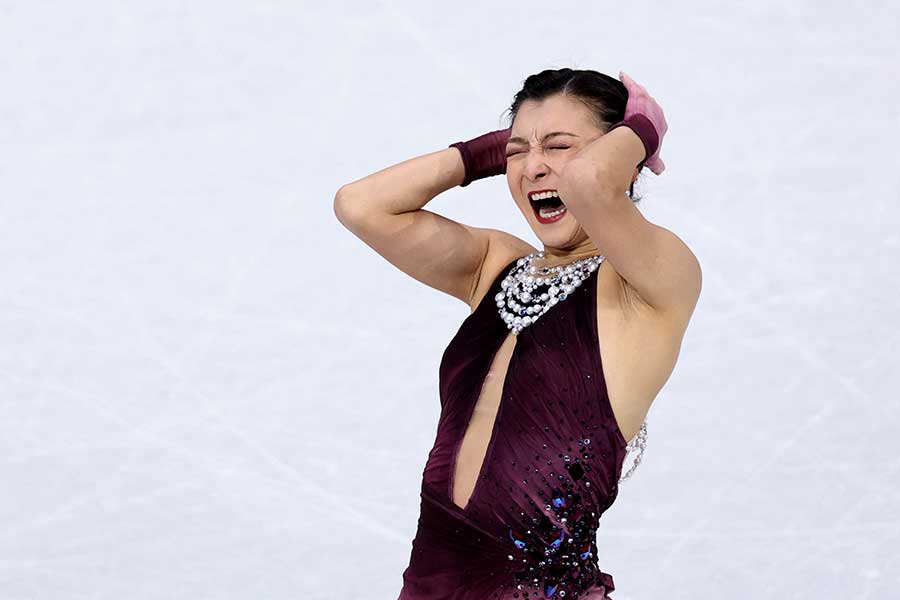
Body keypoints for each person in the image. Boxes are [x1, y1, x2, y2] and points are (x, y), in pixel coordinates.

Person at [334, 68, 701, 599]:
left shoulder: (649, 282)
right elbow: (360, 205)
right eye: (516, 153)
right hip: (430, 585)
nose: (534, 168)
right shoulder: (495, 266)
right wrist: (487, 153)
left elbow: (590, 183)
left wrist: (644, 130)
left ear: (618, 157)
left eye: (560, 146)